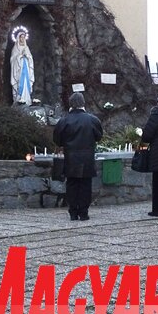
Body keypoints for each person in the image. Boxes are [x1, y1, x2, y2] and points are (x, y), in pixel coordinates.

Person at [53, 92, 103, 221]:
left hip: (71, 157)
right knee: (85, 185)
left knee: (72, 184)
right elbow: (99, 137)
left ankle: (73, 212)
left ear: (71, 104)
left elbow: (57, 140)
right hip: (87, 156)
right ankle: (84, 212)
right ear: (83, 103)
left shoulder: (64, 120)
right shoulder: (92, 120)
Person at [10, 25, 34, 104]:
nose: (22, 39)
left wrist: (27, 56)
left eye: (23, 37)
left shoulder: (26, 48)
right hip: (19, 70)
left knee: (26, 83)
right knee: (19, 83)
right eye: (21, 37)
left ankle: (27, 100)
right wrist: (20, 56)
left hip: (26, 68)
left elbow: (31, 59)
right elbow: (12, 59)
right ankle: (19, 101)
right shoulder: (15, 48)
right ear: (18, 38)